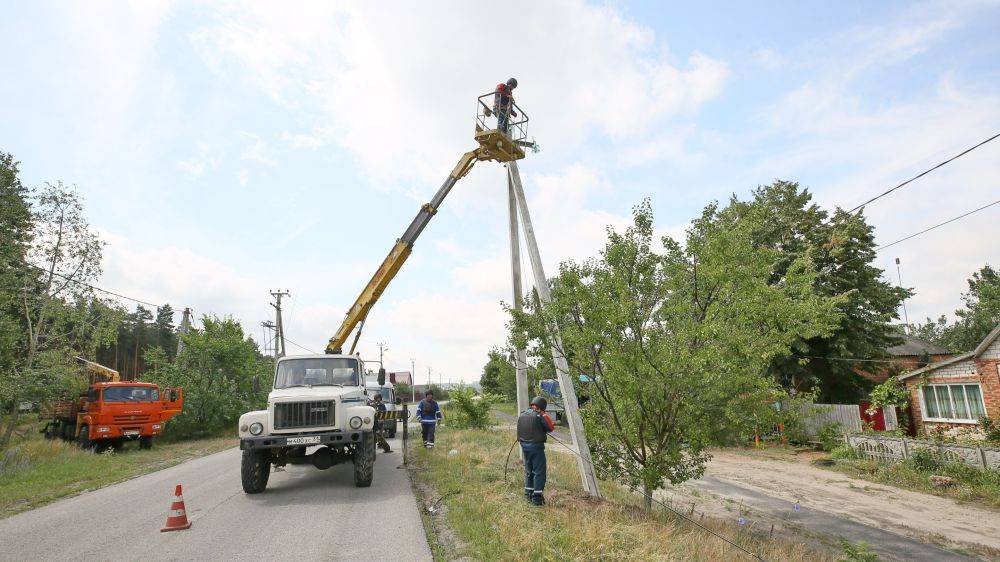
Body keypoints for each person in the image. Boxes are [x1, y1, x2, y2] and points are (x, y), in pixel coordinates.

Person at [517, 396, 554, 506]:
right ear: (542, 407)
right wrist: (543, 415)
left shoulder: (522, 414)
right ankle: (537, 498)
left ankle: (528, 494)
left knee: (529, 471)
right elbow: (550, 428)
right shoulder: (540, 415)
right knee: (539, 472)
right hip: (536, 447)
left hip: (524, 447)